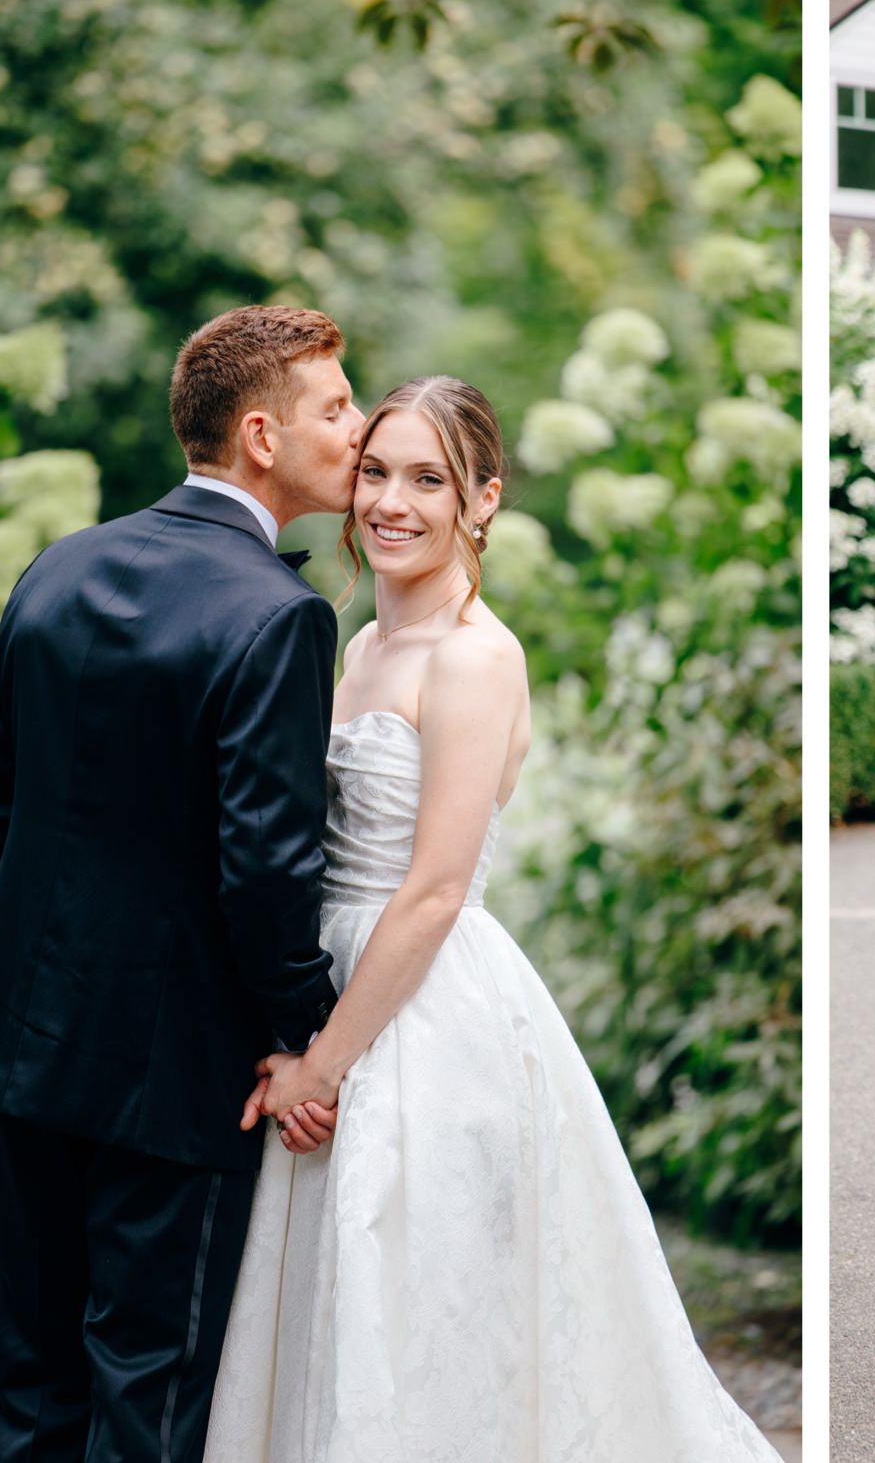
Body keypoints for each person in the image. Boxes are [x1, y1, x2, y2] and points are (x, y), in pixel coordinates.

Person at [201, 375, 780, 1462]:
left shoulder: (476, 656)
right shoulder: (356, 642)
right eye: (375, 472)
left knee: (425, 1297)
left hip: (419, 1013)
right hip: (326, 985)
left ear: (483, 500)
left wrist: (322, 1066)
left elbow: (430, 889)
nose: (391, 502)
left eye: (429, 479)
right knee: (332, 1292)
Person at [0, 304, 364, 1461]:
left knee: (32, 1384)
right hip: (177, 1075)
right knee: (151, 1393)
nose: (360, 427)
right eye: (336, 406)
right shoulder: (280, 617)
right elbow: (267, 868)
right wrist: (304, 1038)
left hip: (30, 1045)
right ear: (263, 436)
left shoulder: (59, 564)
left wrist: (45, 981)